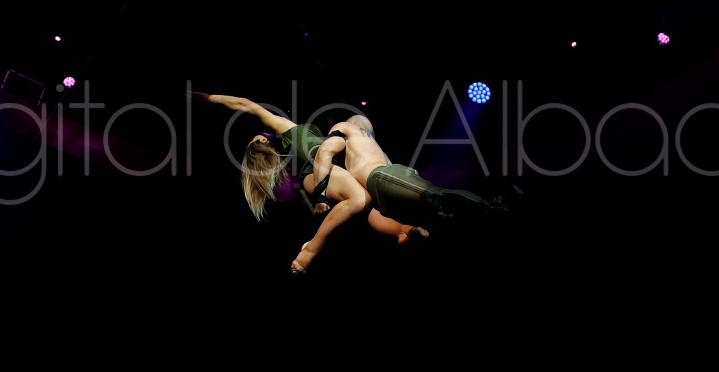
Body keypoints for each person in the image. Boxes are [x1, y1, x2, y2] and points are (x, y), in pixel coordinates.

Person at [203, 92, 510, 273]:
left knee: (371, 201)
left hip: (329, 169)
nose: (263, 133)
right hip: (317, 172)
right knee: (359, 198)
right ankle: (311, 249)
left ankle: (403, 230)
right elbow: (247, 105)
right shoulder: (287, 131)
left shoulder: (290, 142)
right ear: (262, 141)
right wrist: (209, 98)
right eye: (260, 137)